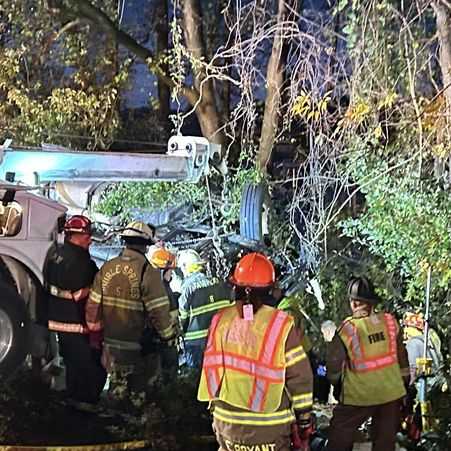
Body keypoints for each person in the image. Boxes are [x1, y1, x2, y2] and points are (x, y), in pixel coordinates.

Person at [198, 252, 314, 451]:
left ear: (236, 287)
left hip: (226, 426)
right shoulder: (282, 324)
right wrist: (304, 419)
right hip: (269, 427)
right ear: (270, 288)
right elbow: (300, 378)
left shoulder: (220, 320)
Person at [86, 221, 176, 404]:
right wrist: (168, 336)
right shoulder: (147, 273)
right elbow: (159, 312)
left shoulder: (107, 268)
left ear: (126, 241)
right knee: (139, 396)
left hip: (111, 345)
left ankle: (113, 427)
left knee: (115, 392)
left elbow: (92, 307)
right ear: (145, 246)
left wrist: (97, 337)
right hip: (138, 348)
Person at [325, 277, 410, 451]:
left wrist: (337, 384)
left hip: (359, 395)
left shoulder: (347, 329)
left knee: (340, 432)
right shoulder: (390, 322)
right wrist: (405, 384)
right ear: (372, 302)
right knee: (385, 439)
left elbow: (333, 364)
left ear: (353, 303)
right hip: (391, 393)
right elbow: (403, 357)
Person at [45, 215, 107, 411]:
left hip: (59, 323)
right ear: (75, 236)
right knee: (90, 368)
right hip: (78, 323)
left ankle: (72, 405)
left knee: (73, 366)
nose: (90, 239)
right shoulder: (82, 262)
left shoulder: (56, 255)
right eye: (87, 236)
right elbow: (85, 298)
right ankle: (85, 409)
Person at [176, 249, 232, 368]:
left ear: (185, 267)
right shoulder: (217, 283)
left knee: (196, 379)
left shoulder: (187, 289)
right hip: (219, 340)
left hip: (196, 344)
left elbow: (182, 318)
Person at [147, 245, 180, 377]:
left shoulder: (163, 286)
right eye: (169, 271)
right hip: (162, 343)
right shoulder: (157, 289)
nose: (171, 274)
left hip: (167, 342)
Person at [402, 311, 443, 385]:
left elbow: (413, 370)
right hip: (435, 383)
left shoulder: (413, 343)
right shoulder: (429, 341)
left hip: (422, 388)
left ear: (413, 327)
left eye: (406, 326)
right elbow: (425, 367)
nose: (405, 331)